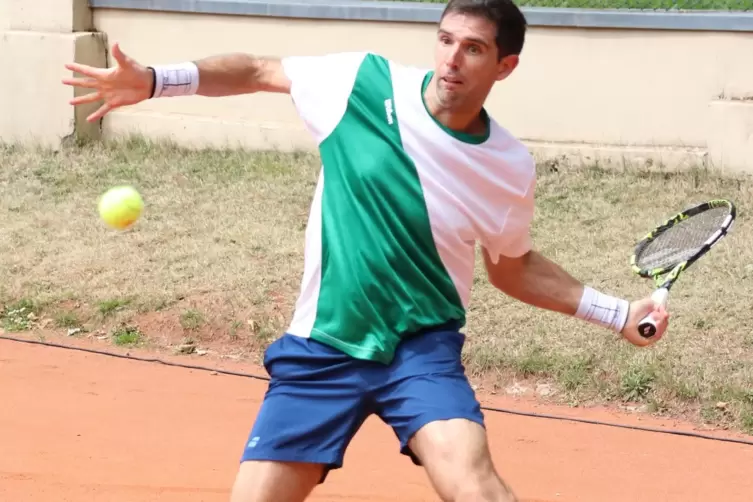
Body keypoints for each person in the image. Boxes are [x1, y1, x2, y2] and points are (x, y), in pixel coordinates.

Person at [62, 0, 670, 500]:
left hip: (421, 351)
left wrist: (616, 314)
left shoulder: (508, 165)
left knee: (474, 485)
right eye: (446, 40)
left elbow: (512, 268)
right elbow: (255, 69)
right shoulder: (362, 83)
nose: (452, 59)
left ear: (504, 66)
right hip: (323, 344)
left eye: (474, 48)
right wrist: (154, 82)